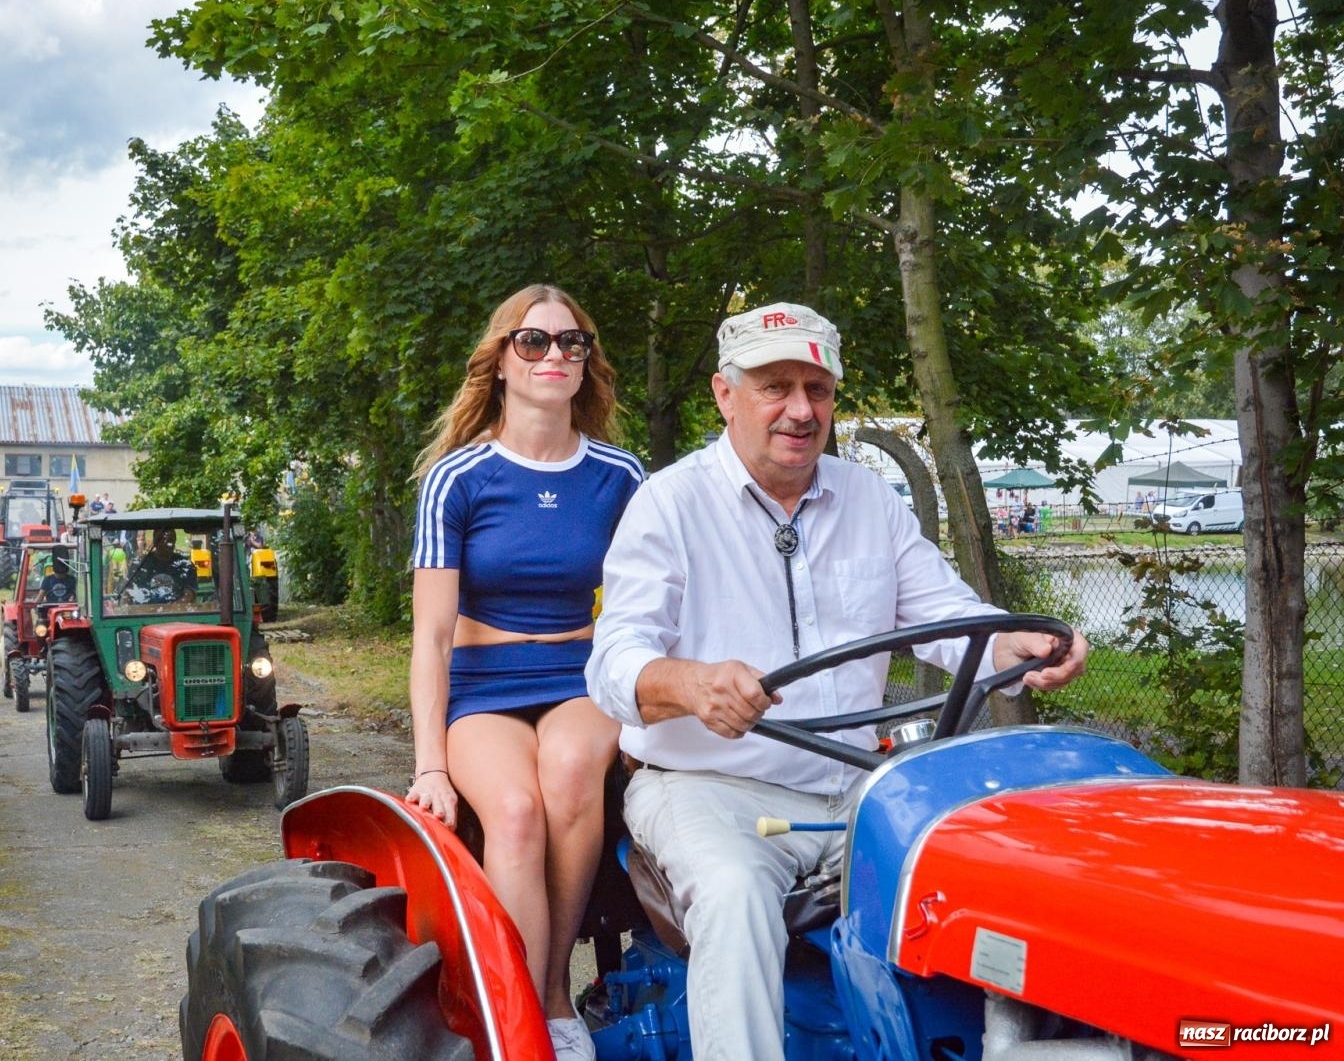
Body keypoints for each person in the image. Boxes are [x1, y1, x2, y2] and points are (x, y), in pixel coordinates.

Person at [586, 301, 1089, 1061]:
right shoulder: (670, 503)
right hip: (709, 787)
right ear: (726, 394)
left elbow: (950, 616)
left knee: (1002, 862)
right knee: (732, 895)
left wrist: (1017, 640)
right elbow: (614, 660)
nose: (800, 409)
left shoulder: (869, 501)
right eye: (774, 386)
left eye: (817, 389)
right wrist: (691, 684)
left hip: (862, 784)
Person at [404, 284, 643, 1061]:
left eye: (570, 343)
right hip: (481, 682)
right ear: (501, 363)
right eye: (532, 342)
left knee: (573, 772)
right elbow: (433, 635)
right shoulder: (459, 478)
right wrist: (430, 763)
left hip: (580, 672)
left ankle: (551, 1001)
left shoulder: (619, 475)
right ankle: (517, 1021)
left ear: (586, 363)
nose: (553, 356)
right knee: (511, 811)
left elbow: (650, 604)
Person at [120, 528, 197, 603]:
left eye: (171, 540)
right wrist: (125, 608)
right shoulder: (139, 565)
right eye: (162, 540)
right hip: (144, 613)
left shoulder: (185, 565)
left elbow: (189, 595)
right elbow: (128, 592)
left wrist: (171, 610)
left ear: (174, 542)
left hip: (176, 613)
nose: (167, 544)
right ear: (155, 543)